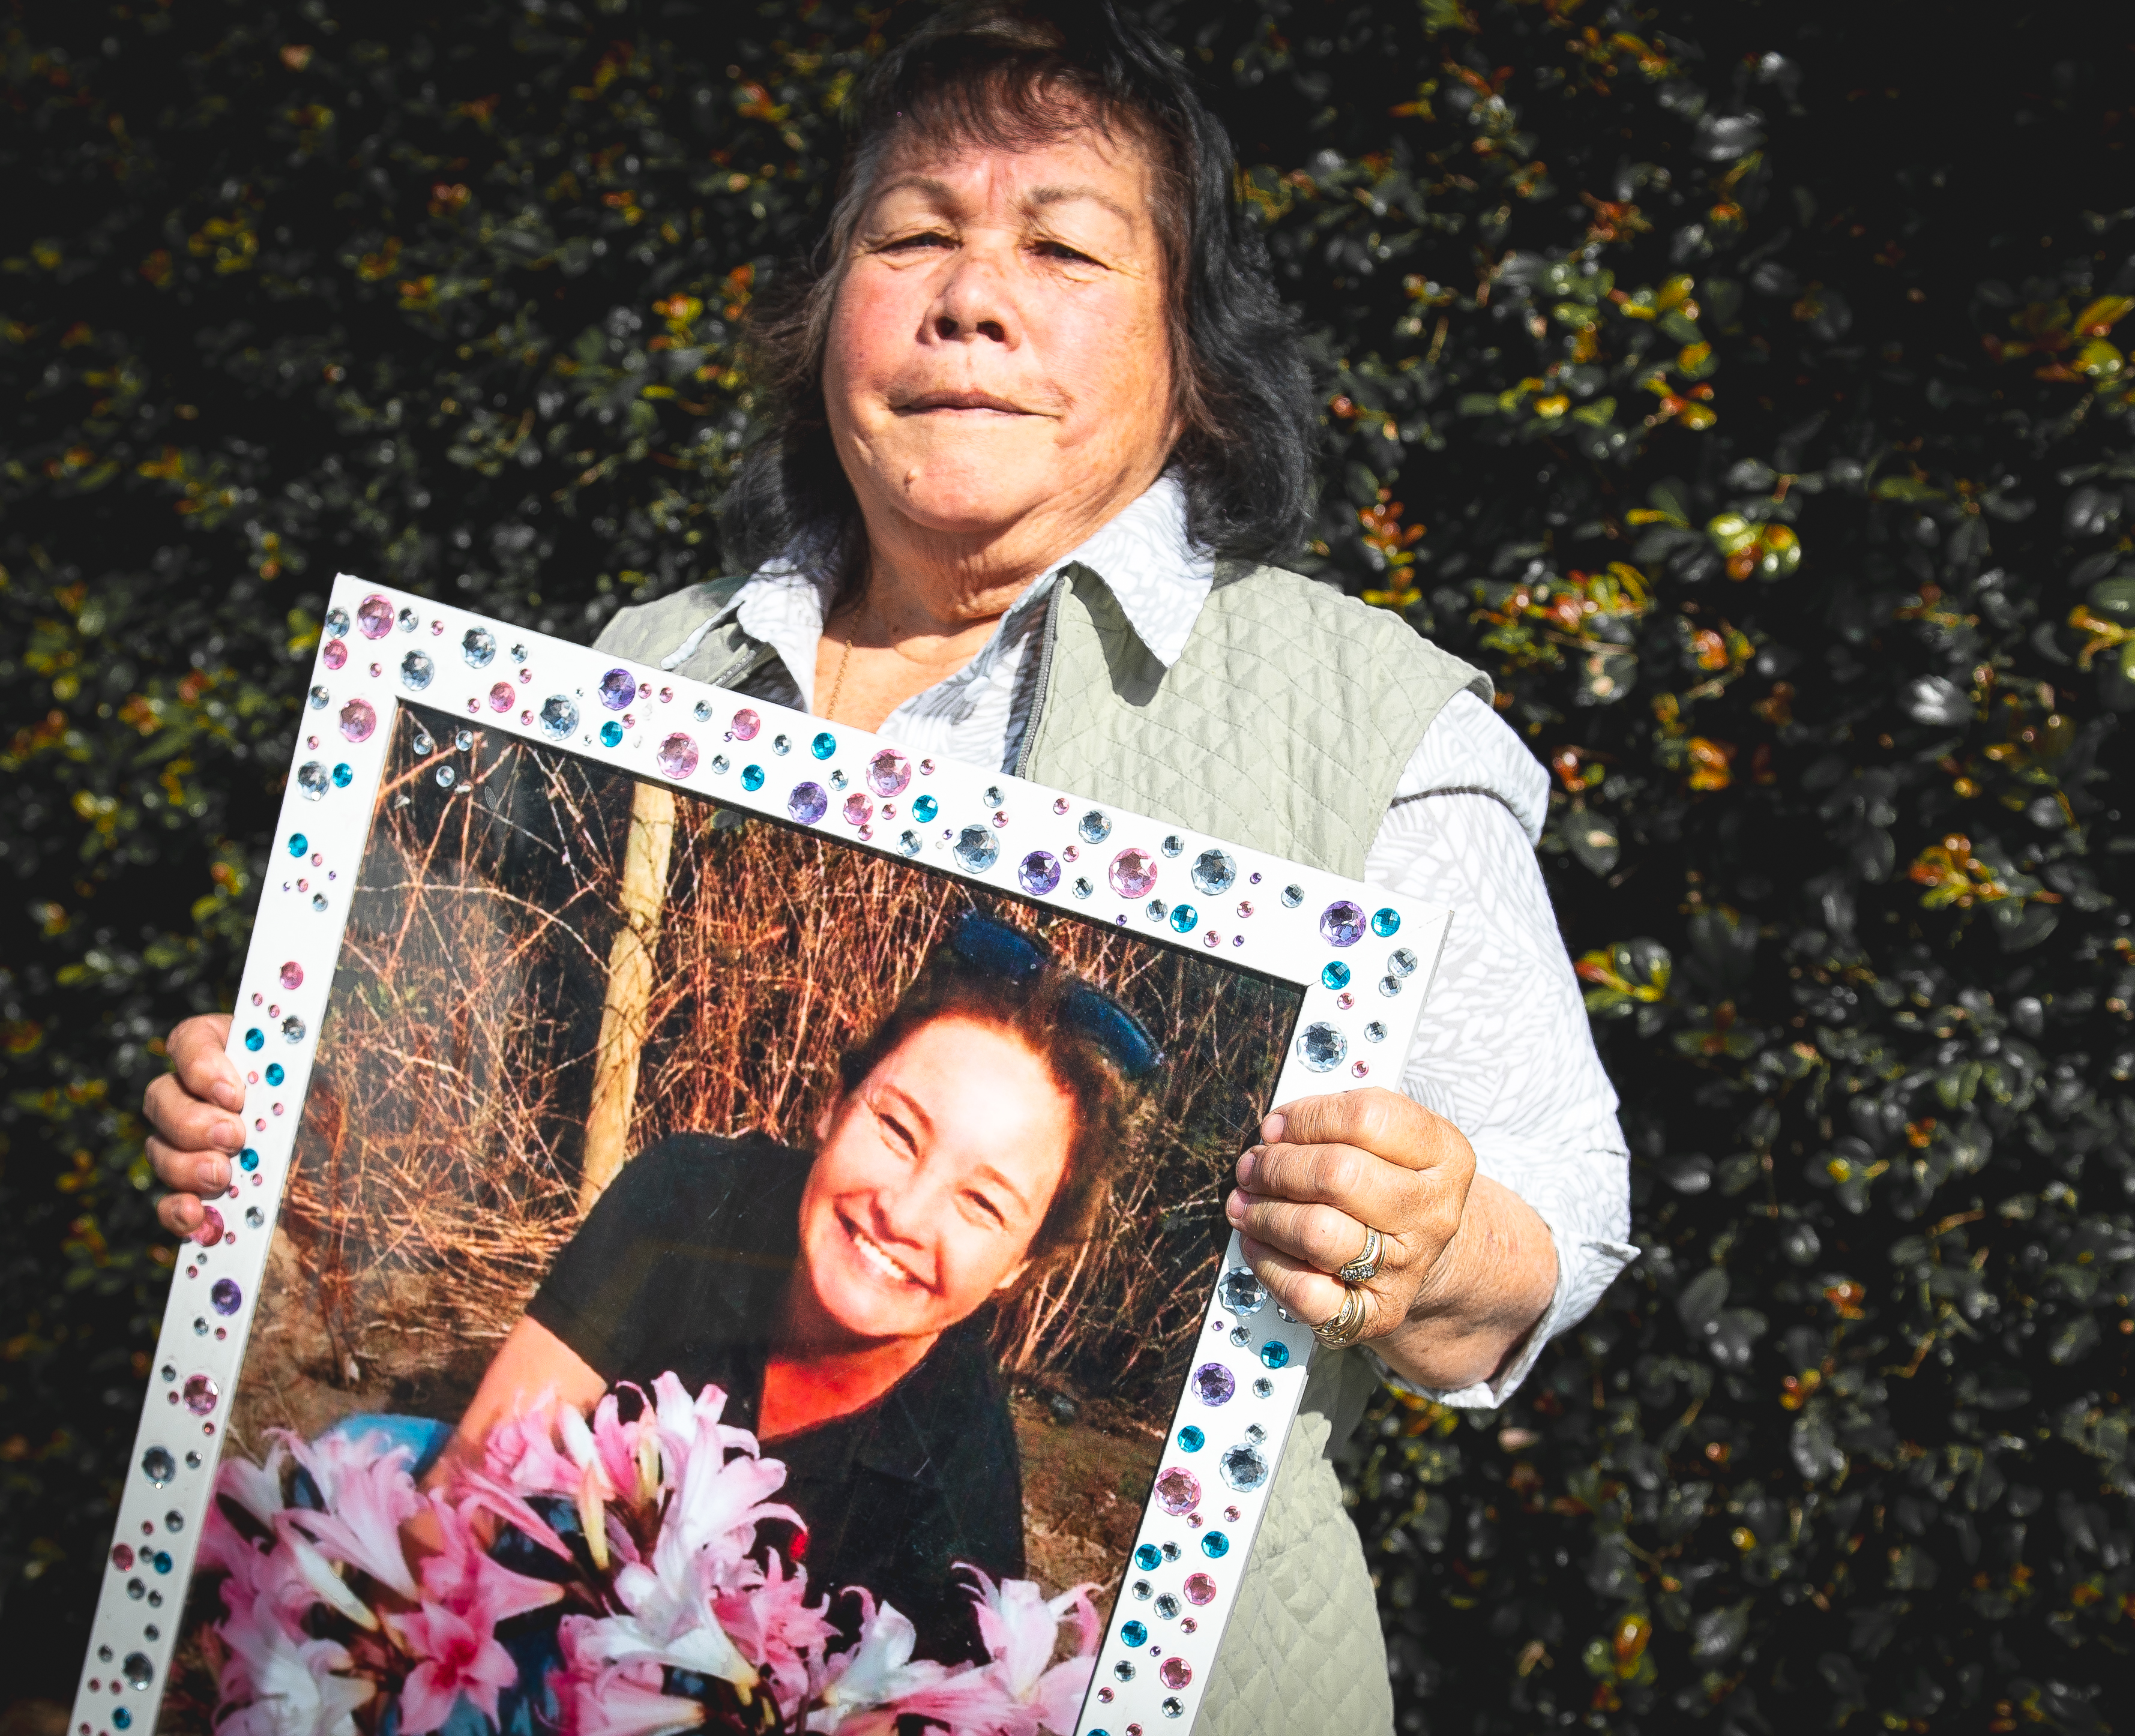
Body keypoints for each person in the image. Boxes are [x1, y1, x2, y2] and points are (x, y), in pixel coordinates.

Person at [143, 2, 1633, 1726]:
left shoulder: (1361, 719)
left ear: (1194, 355)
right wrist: (266, 1124)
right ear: (821, 313)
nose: (970, 294)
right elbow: (426, 1159)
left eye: (1062, 243)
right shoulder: (647, 666)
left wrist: (1429, 1230)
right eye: (911, 233)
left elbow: (1560, 1222)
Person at [372, 912, 1153, 1665]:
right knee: (369, 1454)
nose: (903, 1213)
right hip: (533, 1586)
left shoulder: (958, 1498)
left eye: (982, 1204)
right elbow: (470, 1491)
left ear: (1021, 1263)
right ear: (833, 1106)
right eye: (896, 1129)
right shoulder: (686, 1198)